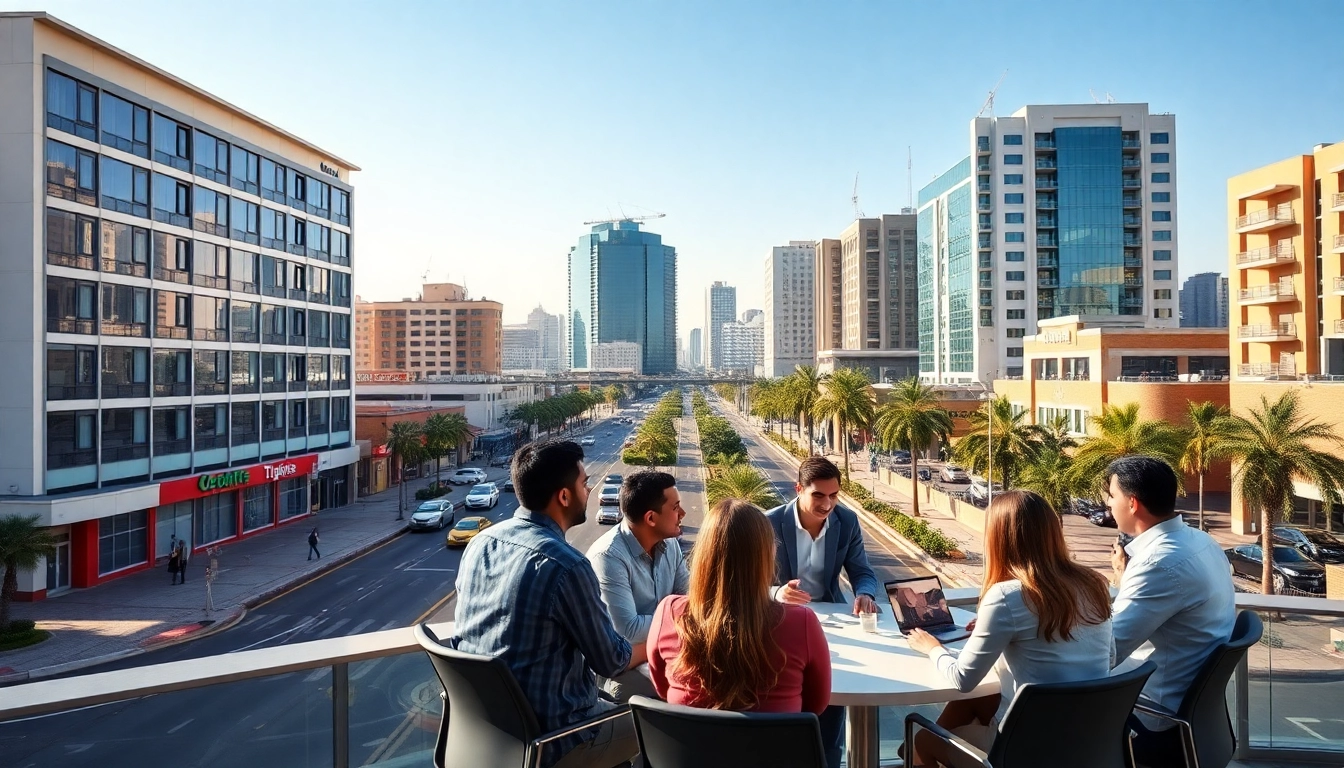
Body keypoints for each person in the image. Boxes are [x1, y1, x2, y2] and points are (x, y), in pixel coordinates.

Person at [452, 440, 641, 768]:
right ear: (564, 497)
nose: (589, 490)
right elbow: (611, 661)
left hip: (488, 735)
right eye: (584, 484)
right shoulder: (567, 566)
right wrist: (659, 639)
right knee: (654, 726)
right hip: (555, 741)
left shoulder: (480, 544)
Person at [906, 490, 1114, 765]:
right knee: (970, 704)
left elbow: (962, 679)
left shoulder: (1007, 596)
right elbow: (1108, 656)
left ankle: (913, 755)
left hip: (1026, 749)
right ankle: (910, 757)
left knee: (921, 739)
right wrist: (1003, 632)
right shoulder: (1093, 583)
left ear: (998, 539)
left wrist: (932, 648)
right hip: (1085, 739)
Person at [1107, 456, 1235, 767]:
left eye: (1112, 496)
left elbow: (1107, 652)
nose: (1109, 505)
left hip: (1155, 719)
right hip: (1193, 713)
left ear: (1132, 503)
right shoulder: (1202, 541)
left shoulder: (1157, 564)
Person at [648, 498, 830, 716]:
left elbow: (662, 688)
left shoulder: (669, 613)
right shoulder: (802, 623)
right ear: (765, 556)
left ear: (703, 555)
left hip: (691, 748)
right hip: (775, 749)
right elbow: (816, 705)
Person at [765, 456, 879, 768]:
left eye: (833, 495)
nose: (827, 504)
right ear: (798, 489)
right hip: (781, 624)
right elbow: (750, 583)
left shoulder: (847, 522)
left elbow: (862, 571)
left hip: (830, 625)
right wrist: (777, 593)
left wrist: (865, 593)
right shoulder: (770, 523)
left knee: (831, 701)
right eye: (818, 495)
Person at [586, 471, 690, 702]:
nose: (682, 514)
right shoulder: (609, 557)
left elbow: (690, 600)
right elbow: (627, 631)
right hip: (623, 667)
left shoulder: (670, 544)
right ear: (651, 518)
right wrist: (677, 622)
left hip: (663, 654)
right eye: (675, 508)